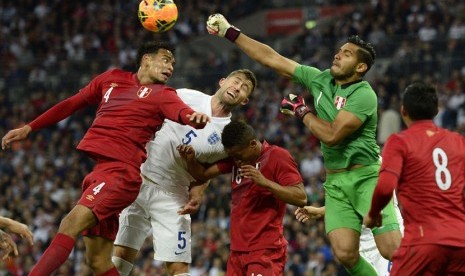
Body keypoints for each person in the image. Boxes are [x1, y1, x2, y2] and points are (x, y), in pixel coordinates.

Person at [205, 14, 401, 275]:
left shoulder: (363, 94)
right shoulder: (319, 79)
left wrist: (302, 112)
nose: (338, 55)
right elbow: (273, 58)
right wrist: (230, 32)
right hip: (335, 181)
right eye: (339, 51)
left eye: (347, 54)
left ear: (360, 67)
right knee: (344, 253)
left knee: (391, 250)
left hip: (366, 176)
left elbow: (332, 135)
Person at [1, 41, 210, 276]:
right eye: (165, 59)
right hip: (100, 171)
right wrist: (30, 127)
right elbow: (72, 103)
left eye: (173, 63)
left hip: (122, 174)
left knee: (70, 224)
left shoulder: (164, 94)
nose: (170, 66)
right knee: (97, 262)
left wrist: (194, 118)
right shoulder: (111, 78)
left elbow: (182, 112)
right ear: (146, 60)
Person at [112, 69, 257, 276]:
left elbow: (205, 174)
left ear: (245, 101)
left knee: (178, 266)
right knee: (121, 255)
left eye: (244, 88)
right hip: (138, 180)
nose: (237, 88)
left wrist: (198, 190)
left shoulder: (229, 137)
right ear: (222, 81)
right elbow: (149, 111)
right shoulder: (187, 96)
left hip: (172, 195)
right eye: (236, 81)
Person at [177, 119, 307, 275]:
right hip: (237, 251)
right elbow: (203, 174)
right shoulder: (236, 160)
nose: (237, 160)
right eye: (232, 156)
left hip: (265, 250)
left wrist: (265, 183)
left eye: (238, 155)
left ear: (253, 144)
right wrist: (191, 161)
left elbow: (301, 197)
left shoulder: (277, 156)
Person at [364, 82, 465, 275]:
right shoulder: (458, 141)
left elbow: (385, 187)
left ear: (403, 111)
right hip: (461, 241)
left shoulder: (399, 142)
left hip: (423, 241)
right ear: (436, 110)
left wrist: (373, 213)